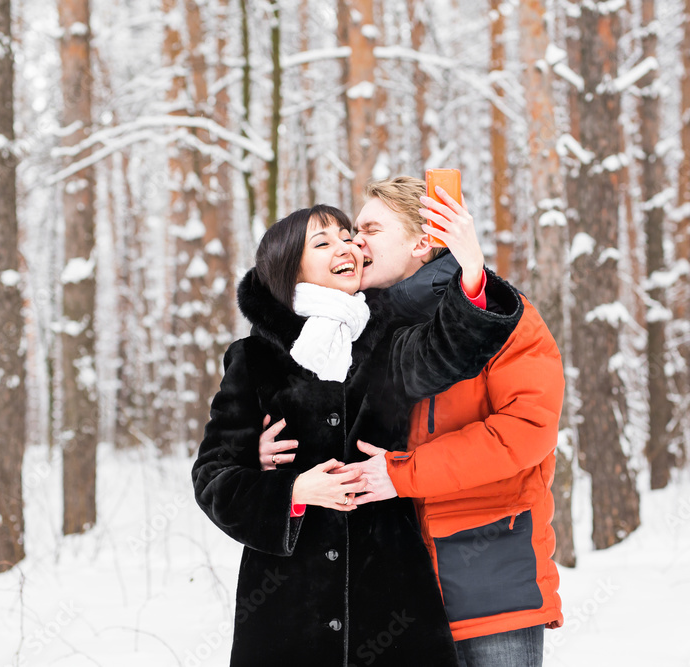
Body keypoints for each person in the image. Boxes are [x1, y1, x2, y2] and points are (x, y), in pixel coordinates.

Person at [191, 203, 523, 666]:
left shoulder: (389, 338)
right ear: (290, 267)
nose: (346, 246)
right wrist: (293, 490)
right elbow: (213, 477)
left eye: (347, 236)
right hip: (287, 611)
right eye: (323, 242)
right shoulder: (255, 358)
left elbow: (452, 351)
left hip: (392, 602)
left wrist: (470, 269)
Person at [340, 177, 565, 666]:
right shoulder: (356, 330)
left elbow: (526, 431)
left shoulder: (501, 316)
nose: (355, 241)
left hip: (492, 583)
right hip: (398, 597)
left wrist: (404, 473)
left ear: (423, 241)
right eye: (353, 230)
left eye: (371, 228)